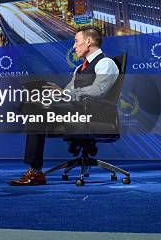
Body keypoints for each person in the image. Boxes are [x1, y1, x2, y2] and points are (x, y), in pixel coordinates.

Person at [9, 26, 119, 186]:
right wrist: (53, 93)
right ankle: (35, 169)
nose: (74, 46)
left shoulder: (106, 63)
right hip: (76, 110)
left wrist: (65, 94)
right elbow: (67, 93)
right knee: (32, 106)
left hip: (94, 112)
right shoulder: (79, 69)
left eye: (76, 41)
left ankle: (35, 172)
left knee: (36, 111)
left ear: (88, 42)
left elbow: (98, 90)